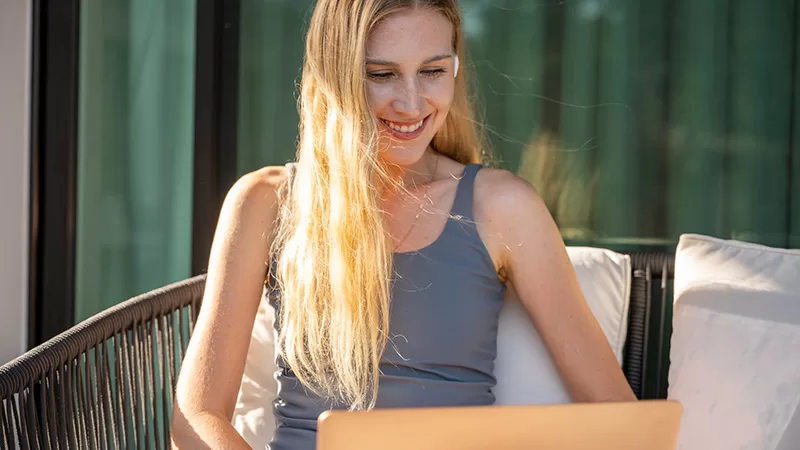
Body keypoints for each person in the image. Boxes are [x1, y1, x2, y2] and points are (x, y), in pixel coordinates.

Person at [171, 0, 636, 448]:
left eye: (433, 71)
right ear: (337, 74)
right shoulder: (266, 202)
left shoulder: (504, 207)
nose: (412, 104)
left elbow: (615, 410)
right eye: (382, 74)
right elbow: (197, 418)